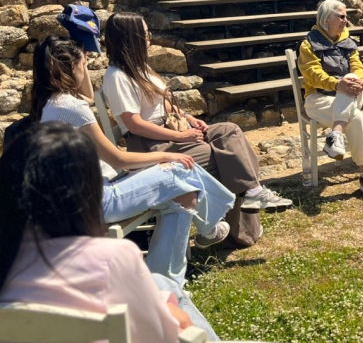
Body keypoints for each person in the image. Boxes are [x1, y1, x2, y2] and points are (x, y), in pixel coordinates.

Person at [30, 36, 234, 286]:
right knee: (181, 169)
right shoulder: (71, 107)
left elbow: (88, 96)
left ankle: (164, 283)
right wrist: (167, 155)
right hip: (98, 201)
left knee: (183, 196)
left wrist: (79, 55)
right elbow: (118, 159)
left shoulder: (49, 104)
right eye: (83, 64)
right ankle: (209, 227)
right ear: (71, 67)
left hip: (81, 199)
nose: (86, 68)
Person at [0, 122, 221, 343]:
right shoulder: (112, 258)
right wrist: (172, 314)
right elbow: (157, 336)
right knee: (172, 303)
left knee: (162, 284)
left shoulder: (9, 257)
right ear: (87, 190)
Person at [101, 13, 290, 248]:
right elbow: (134, 124)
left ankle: (251, 194)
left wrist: (189, 119)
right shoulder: (117, 77)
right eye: (146, 34)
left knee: (229, 132)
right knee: (224, 157)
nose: (150, 39)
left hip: (167, 132)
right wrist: (180, 136)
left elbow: (163, 105)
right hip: (151, 145)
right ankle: (234, 225)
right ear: (131, 38)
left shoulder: (140, 69)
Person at [297, 0, 363, 198]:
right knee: (357, 117)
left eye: (346, 16)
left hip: (345, 98)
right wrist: (336, 84)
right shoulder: (309, 44)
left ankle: (335, 133)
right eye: (341, 16)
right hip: (318, 99)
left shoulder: (347, 41)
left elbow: (358, 67)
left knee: (352, 77)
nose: (346, 20)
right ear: (327, 19)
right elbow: (312, 74)